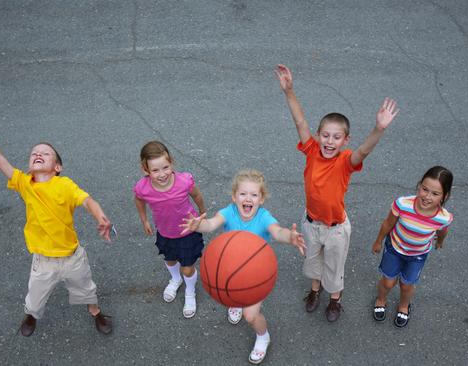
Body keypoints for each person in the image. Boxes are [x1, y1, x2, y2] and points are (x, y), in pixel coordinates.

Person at [0, 99, 114, 337]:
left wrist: (100, 216)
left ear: (57, 167)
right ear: (30, 165)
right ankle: (31, 315)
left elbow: (87, 201)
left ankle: (96, 312)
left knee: (85, 290)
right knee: (35, 297)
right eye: (34, 153)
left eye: (45, 153)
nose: (38, 154)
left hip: (72, 256)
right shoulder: (24, 183)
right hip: (43, 260)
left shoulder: (65, 185)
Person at [275, 64, 399, 322]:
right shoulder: (311, 150)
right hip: (311, 223)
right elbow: (300, 121)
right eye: (326, 136)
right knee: (312, 264)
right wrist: (289, 91)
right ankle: (315, 291)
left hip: (336, 228)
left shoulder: (345, 162)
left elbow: (363, 152)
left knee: (335, 267)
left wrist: (379, 129)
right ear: (318, 136)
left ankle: (335, 300)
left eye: (336, 137)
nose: (330, 142)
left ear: (346, 140)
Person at [181, 169, 305, 364]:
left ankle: (263, 336)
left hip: (255, 275)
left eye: (254, 195)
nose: (248, 198)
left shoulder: (263, 217)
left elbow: (277, 231)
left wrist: (290, 237)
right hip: (230, 270)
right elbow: (211, 224)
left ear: (261, 199)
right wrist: (198, 225)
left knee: (250, 315)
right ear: (234, 196)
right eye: (243, 194)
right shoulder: (229, 212)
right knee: (231, 290)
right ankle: (235, 302)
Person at [371, 166, 454, 327]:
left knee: (407, 285)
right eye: (425, 189)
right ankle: (381, 299)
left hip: (417, 256)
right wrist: (378, 241)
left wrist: (440, 241)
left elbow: (443, 232)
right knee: (388, 282)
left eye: (435, 194)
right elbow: (388, 223)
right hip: (394, 248)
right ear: (419, 185)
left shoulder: (444, 218)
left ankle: (404, 305)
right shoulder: (403, 204)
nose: (427, 196)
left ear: (445, 196)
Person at [133, 141, 206, 318]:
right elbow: (138, 200)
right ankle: (175, 279)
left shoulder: (184, 181)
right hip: (165, 232)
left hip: (188, 232)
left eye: (165, 167)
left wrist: (202, 213)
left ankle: (190, 291)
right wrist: (144, 220)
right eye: (155, 170)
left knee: (188, 268)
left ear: (171, 162)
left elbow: (196, 195)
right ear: (145, 170)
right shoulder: (142, 188)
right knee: (170, 259)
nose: (162, 174)